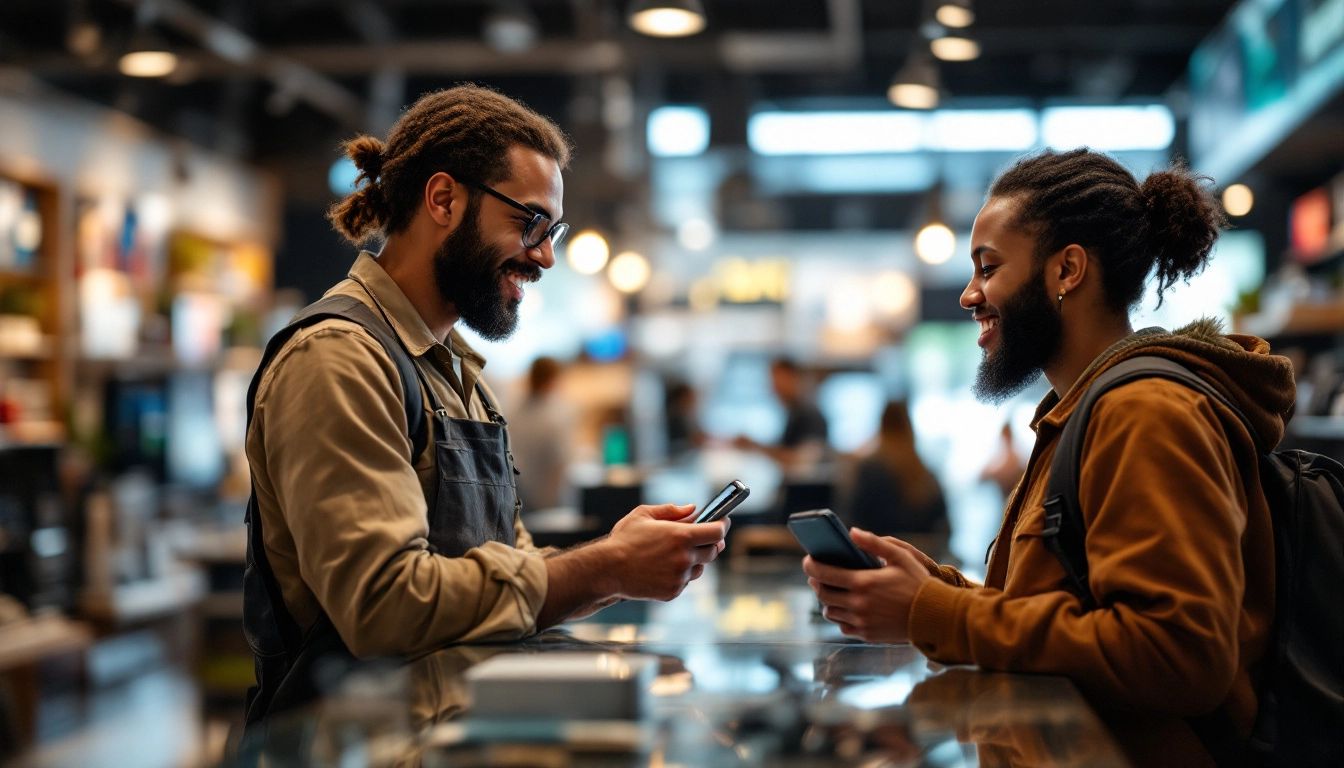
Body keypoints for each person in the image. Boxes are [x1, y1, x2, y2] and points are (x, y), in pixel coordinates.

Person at [242, 85, 728, 725]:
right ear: (443, 199)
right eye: (530, 223)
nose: (546, 255)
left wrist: (615, 564)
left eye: (553, 231)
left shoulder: (459, 374)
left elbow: (506, 573)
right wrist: (603, 566)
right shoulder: (339, 358)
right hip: (350, 742)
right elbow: (384, 608)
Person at [802, 148, 1295, 765]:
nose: (968, 295)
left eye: (988, 267)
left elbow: (1177, 655)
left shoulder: (1146, 414)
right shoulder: (1084, 411)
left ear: (1067, 270)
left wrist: (939, 612)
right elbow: (1075, 613)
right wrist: (935, 589)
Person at [844, 400, 947, 542]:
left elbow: (856, 520)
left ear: (881, 424)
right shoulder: (925, 471)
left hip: (882, 553)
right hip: (923, 555)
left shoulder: (869, 468)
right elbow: (943, 524)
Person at [734, 357, 830, 470]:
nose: (774, 388)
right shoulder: (793, 415)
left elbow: (802, 460)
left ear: (795, 378)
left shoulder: (811, 416)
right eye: (772, 381)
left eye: (779, 381)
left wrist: (755, 446)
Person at [508, 356, 573, 512]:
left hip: (517, 498)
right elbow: (560, 462)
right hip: (548, 502)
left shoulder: (513, 412)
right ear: (552, 380)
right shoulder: (557, 415)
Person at [978, 421, 1025, 501]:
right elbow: (982, 476)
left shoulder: (1015, 456)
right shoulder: (1001, 456)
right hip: (1006, 500)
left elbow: (1006, 472)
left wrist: (992, 473)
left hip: (1014, 500)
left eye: (1006, 436)